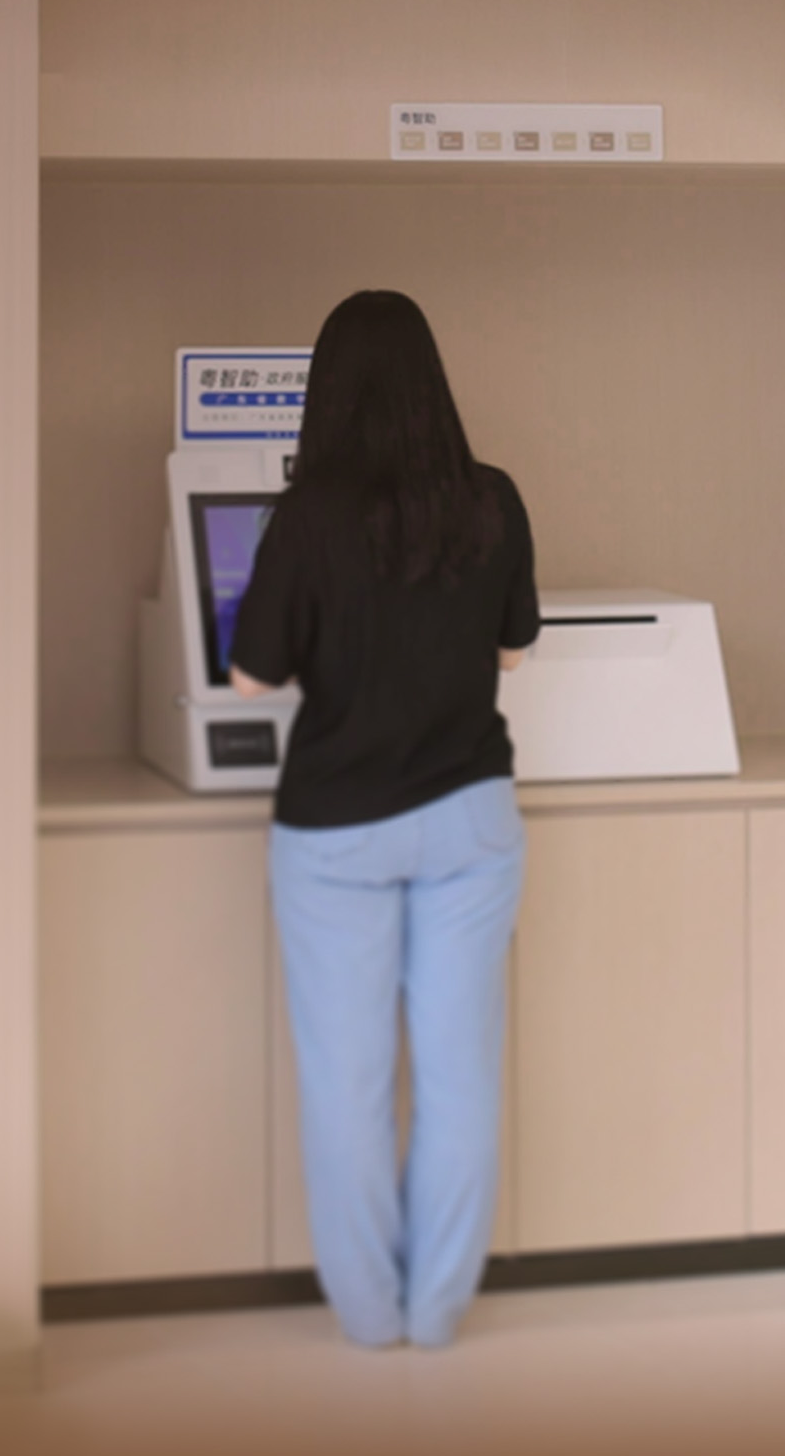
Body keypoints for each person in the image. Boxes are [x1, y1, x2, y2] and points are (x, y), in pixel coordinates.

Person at [229, 290, 539, 1350]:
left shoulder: (307, 515)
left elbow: (251, 676)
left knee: (348, 1083)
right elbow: (512, 654)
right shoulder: (492, 498)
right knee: (459, 1080)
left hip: (339, 832)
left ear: (328, 392)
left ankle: (369, 1314)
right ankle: (438, 1307)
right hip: (470, 822)